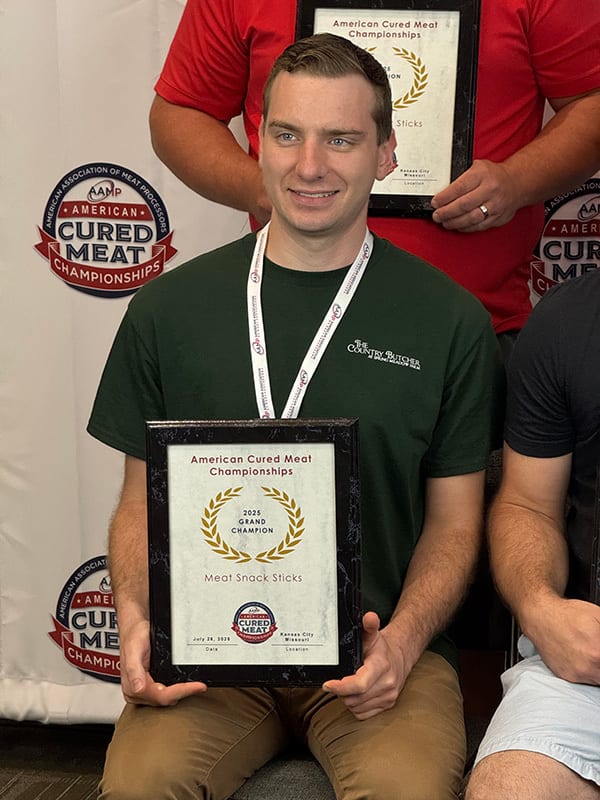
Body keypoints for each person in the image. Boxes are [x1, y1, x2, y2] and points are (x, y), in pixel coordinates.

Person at [89, 34, 503, 800]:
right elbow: (137, 505)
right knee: (139, 787)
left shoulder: (450, 323)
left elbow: (454, 523)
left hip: (376, 654)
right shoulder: (168, 311)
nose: (310, 166)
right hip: (208, 660)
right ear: (259, 141)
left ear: (385, 154)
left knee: (406, 791)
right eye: (287, 134)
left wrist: (406, 645)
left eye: (341, 139)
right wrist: (137, 619)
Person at [149, 0, 600, 344]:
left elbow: (590, 103)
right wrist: (260, 188)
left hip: (475, 327)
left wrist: (517, 181)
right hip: (280, 328)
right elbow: (181, 113)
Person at [464, 270, 600, 800]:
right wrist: (542, 609)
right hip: (587, 658)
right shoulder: (570, 317)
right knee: (507, 790)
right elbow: (527, 504)